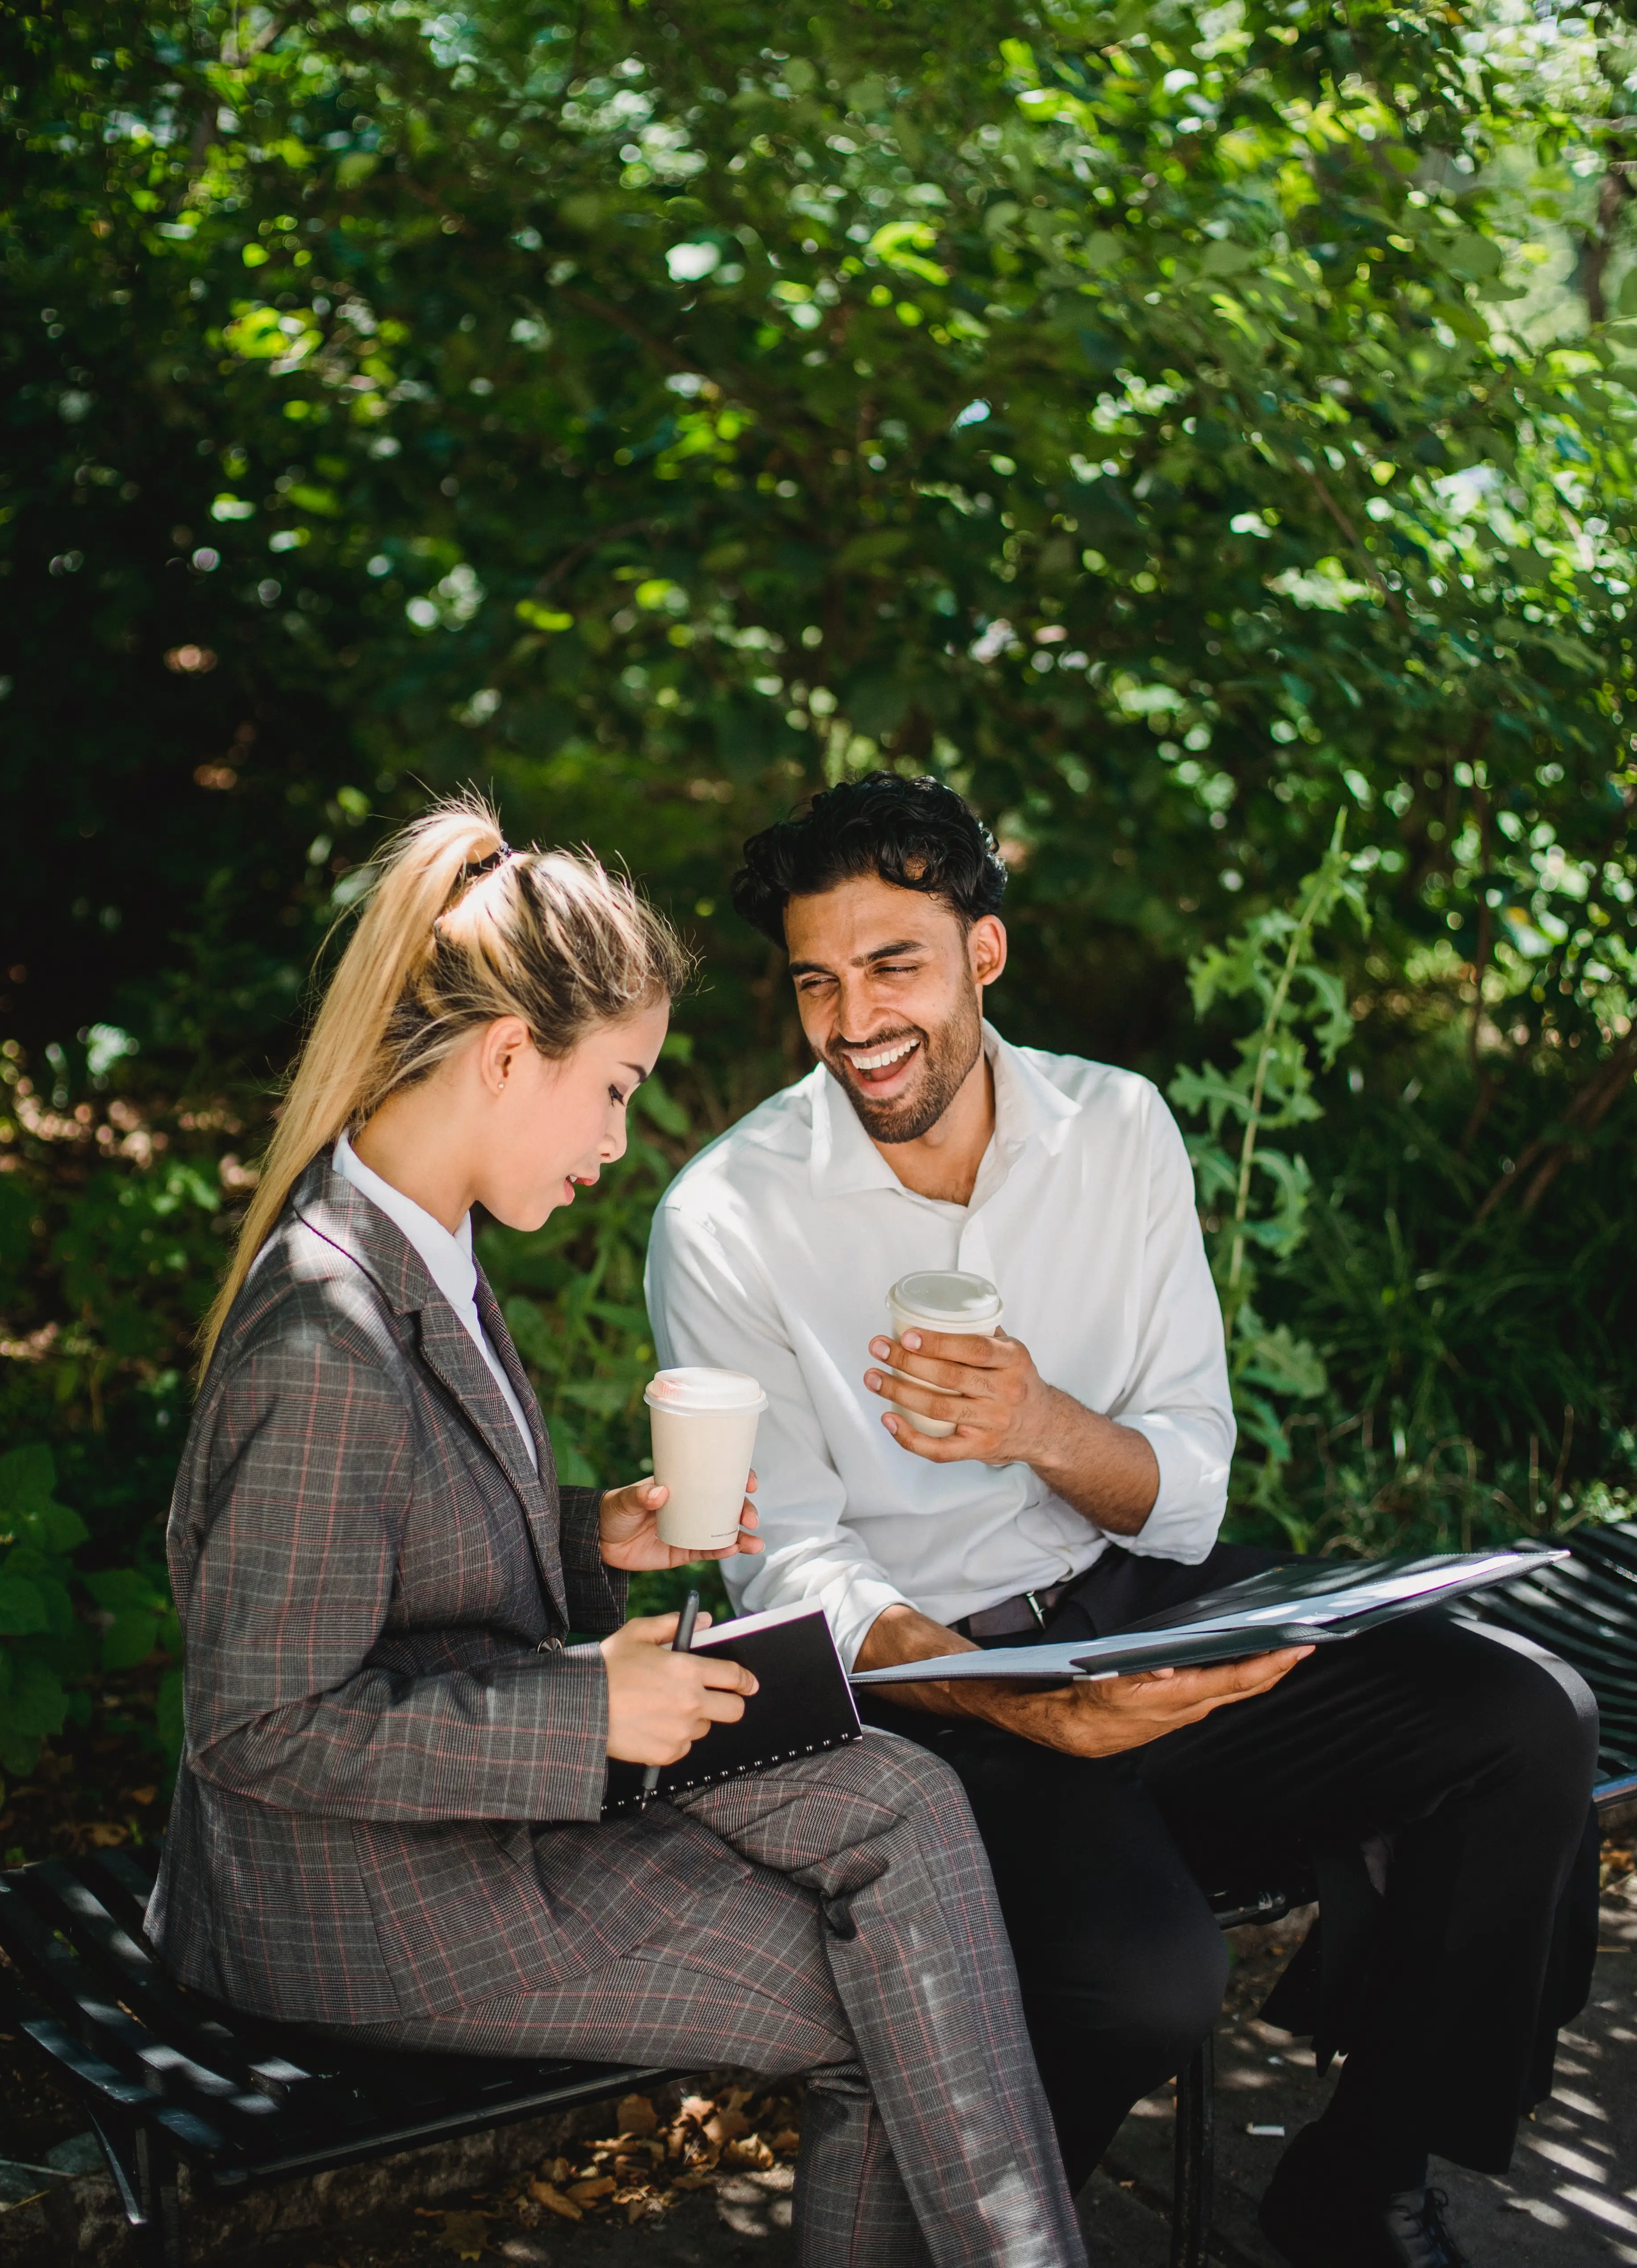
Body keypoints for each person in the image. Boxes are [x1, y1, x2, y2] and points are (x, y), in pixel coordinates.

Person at [644, 772, 1600, 2268]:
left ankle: (1360, 2180)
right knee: (1150, 1981)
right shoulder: (726, 1217)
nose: (854, 1020)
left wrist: (1041, 1426)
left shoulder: (1119, 1128)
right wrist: (1021, 1707)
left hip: (1136, 1608)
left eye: (894, 965)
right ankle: (979, 2240)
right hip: (931, 1693)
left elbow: (1192, 1482)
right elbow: (790, 1571)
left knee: (1527, 1722)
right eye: (818, 980)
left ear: (985, 952)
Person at [147, 797, 1085, 2268]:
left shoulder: (422, 1240)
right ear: (506, 1056)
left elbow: (401, 1552)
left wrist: (594, 1539)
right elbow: (259, 1726)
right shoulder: (324, 1336)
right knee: (901, 2005)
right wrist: (591, 1711)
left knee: (904, 1803)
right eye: (614, 1090)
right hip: (359, 1903)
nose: (618, 1139)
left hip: (469, 1805)